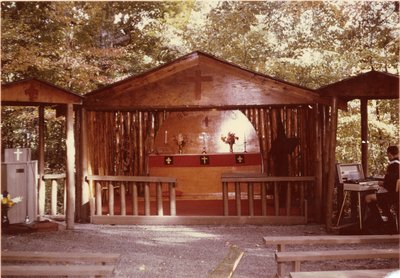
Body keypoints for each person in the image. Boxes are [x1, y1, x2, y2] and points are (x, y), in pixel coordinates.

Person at [364, 145, 400, 234]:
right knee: (379, 198)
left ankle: (379, 221)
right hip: (396, 195)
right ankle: (387, 220)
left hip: (392, 196)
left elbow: (388, 184)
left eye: (388, 155)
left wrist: (379, 183)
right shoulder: (398, 164)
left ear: (390, 154)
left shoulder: (392, 166)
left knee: (368, 197)